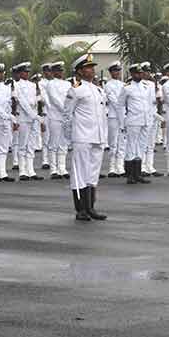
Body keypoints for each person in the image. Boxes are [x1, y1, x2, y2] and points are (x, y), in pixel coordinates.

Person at [65, 54, 108, 221]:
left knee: (92, 174)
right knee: (79, 174)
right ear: (80, 71)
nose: (92, 70)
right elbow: (67, 115)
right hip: (81, 137)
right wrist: (70, 138)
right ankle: (80, 209)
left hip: (97, 137)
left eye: (92, 67)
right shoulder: (76, 90)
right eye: (88, 68)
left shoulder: (98, 90)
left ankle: (90, 207)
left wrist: (104, 136)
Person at [120, 64, 150, 184]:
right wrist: (123, 121)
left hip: (145, 119)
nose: (140, 75)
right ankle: (130, 174)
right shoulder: (127, 88)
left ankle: (138, 173)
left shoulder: (145, 86)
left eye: (141, 73)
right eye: (137, 73)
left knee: (141, 146)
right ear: (132, 74)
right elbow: (120, 105)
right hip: (133, 120)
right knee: (131, 146)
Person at [12, 62, 43, 181]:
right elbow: (21, 101)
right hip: (24, 117)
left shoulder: (33, 85)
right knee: (22, 145)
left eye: (27, 72)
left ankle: (31, 170)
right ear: (19, 73)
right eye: (24, 72)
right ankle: (22, 171)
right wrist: (33, 115)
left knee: (31, 145)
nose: (26, 74)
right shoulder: (16, 85)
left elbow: (37, 100)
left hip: (33, 117)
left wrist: (37, 115)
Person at [45, 61, 71, 179]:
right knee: (53, 143)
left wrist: (69, 111)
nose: (60, 73)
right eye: (57, 71)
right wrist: (65, 110)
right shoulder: (51, 84)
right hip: (55, 116)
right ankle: (53, 169)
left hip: (65, 117)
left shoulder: (67, 84)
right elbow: (54, 99)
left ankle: (62, 168)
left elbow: (71, 98)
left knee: (64, 144)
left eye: (61, 70)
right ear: (53, 72)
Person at [103, 61, 126, 177]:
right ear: (111, 72)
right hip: (113, 116)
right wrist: (122, 116)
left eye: (118, 70)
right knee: (113, 142)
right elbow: (115, 102)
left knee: (122, 142)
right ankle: (112, 167)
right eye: (114, 71)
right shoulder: (108, 85)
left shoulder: (123, 85)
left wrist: (124, 117)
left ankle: (120, 166)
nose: (116, 73)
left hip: (123, 116)